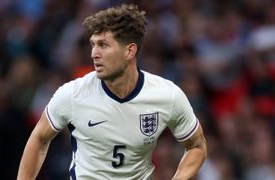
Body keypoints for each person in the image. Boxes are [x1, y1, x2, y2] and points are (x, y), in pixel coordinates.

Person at [17, 4, 207, 180]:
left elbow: (197, 146)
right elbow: (39, 138)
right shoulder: (73, 94)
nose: (94, 53)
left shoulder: (167, 95)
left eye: (103, 45)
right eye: (93, 44)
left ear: (129, 51)